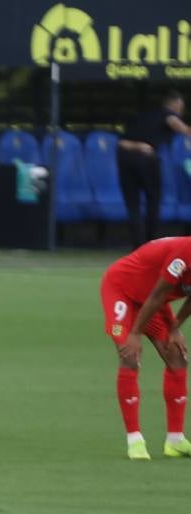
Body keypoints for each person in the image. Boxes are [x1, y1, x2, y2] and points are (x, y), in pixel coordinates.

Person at [104, 237, 191, 459]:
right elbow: (158, 295)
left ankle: (175, 440)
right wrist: (134, 334)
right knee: (130, 355)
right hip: (122, 289)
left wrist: (174, 328)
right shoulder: (184, 254)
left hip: (151, 300)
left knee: (177, 356)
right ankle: (135, 440)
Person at [118, 89, 190, 248]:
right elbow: (176, 124)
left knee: (133, 204)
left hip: (125, 157)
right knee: (153, 201)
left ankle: (137, 246)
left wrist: (136, 145)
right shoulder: (168, 114)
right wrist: (186, 130)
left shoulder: (142, 115)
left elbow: (121, 142)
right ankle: (150, 244)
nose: (181, 111)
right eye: (180, 107)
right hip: (146, 158)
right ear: (174, 104)